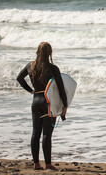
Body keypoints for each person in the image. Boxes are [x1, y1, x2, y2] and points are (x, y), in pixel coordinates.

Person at [17, 42, 67, 171]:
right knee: (47, 134)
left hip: (35, 102)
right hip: (48, 103)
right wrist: (65, 105)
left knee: (35, 133)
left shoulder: (30, 66)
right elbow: (61, 88)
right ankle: (48, 164)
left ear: (37, 52)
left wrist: (31, 90)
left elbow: (19, 78)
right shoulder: (53, 68)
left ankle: (36, 164)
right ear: (49, 52)